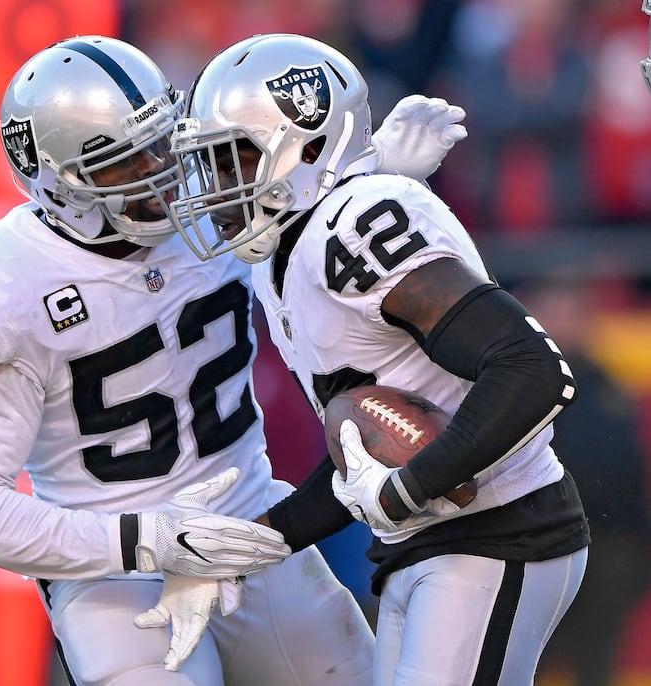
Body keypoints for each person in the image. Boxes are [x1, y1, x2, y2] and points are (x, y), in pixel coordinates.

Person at [0, 35, 467, 685]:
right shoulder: (2, 281)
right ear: (57, 187)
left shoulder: (213, 206)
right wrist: (147, 538)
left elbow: (316, 226)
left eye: (161, 144)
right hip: (114, 574)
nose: (159, 175)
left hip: (253, 525)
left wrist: (378, 179)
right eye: (123, 165)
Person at [167, 33, 591, 685]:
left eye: (235, 160)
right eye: (210, 164)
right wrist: (245, 547)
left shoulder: (353, 224)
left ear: (308, 150)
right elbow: (363, 454)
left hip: (496, 534)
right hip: (426, 545)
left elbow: (532, 370)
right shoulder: (289, 253)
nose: (217, 187)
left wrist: (403, 492)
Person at [516, 273, 651, 686]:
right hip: (536, 545)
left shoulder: (606, 383)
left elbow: (627, 468)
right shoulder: (513, 385)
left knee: (597, 661)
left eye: (572, 311)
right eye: (552, 310)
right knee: (526, 662)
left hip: (610, 547)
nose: (563, 321)